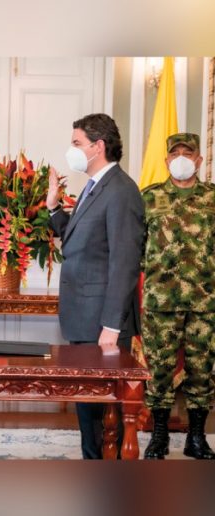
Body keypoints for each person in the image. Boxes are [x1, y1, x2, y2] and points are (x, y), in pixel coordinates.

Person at [46, 113, 145, 459]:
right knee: (88, 406)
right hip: (83, 318)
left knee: (104, 412)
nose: (71, 150)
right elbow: (77, 239)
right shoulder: (94, 187)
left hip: (102, 322)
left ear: (98, 146)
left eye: (77, 143)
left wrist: (112, 326)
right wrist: (54, 207)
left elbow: (124, 263)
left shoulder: (121, 191)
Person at [141, 132, 215, 460]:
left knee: (202, 371)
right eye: (175, 153)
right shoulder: (149, 198)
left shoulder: (212, 198)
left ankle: (196, 438)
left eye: (188, 152)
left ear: (199, 160)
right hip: (161, 302)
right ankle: (159, 436)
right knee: (159, 371)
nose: (181, 158)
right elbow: (136, 246)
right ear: (166, 160)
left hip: (205, 301)